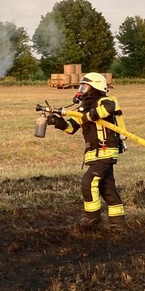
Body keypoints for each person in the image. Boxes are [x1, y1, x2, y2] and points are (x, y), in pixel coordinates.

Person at [48, 72, 126, 227]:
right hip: (95, 153)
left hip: (105, 151)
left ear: (95, 87)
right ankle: (118, 222)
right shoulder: (83, 109)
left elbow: (109, 107)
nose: (81, 90)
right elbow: (71, 128)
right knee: (106, 188)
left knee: (88, 182)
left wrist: (88, 115)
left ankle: (92, 219)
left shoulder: (103, 101)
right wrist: (56, 122)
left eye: (85, 86)